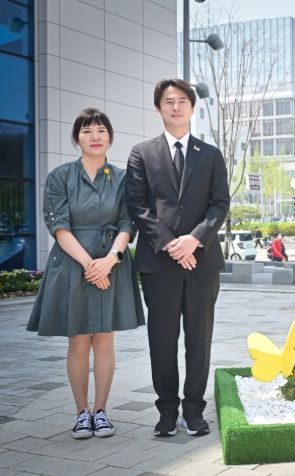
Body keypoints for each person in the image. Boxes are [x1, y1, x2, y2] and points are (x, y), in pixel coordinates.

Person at [27, 108, 145, 439]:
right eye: (87, 131)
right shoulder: (60, 176)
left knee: (105, 338)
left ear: (110, 137)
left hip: (112, 263)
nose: (95, 137)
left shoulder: (123, 178)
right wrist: (89, 264)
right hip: (71, 264)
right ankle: (81, 413)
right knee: (78, 339)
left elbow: (128, 223)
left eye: (101, 130)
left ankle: (101, 411)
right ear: (76, 137)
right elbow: (58, 225)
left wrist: (109, 260)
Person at [126, 78, 230, 437]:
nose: (175, 107)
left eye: (182, 101)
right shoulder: (142, 153)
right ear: (158, 108)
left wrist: (194, 240)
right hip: (159, 264)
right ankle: (167, 412)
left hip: (203, 263)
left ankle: (194, 410)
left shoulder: (210, 154)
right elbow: (137, 206)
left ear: (192, 107)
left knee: (199, 339)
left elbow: (220, 204)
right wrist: (173, 244)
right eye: (168, 102)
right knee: (162, 340)